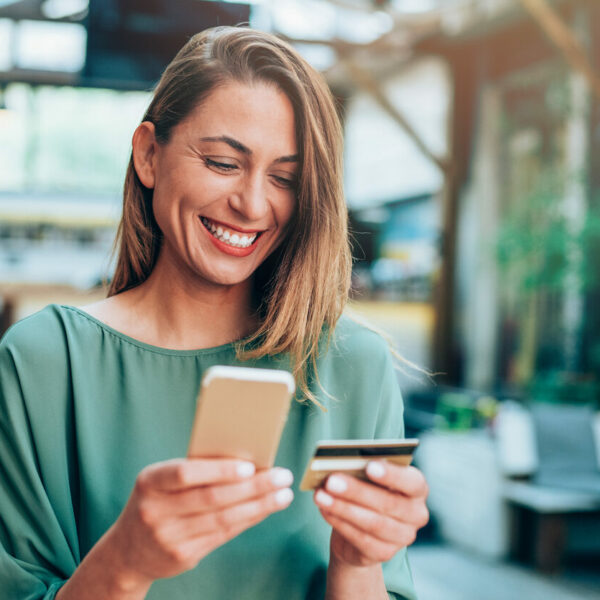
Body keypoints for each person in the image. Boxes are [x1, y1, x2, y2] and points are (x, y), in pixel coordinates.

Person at [0, 26, 429, 600]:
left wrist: (357, 563)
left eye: (284, 178)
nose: (253, 204)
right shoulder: (42, 364)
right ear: (149, 154)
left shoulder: (354, 367)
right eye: (225, 162)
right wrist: (125, 563)